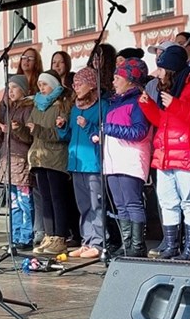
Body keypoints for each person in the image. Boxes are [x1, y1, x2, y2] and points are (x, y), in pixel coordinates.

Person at [140, 45, 190, 261]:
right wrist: (148, 107)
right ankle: (170, 245)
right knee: (167, 201)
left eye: (161, 69)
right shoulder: (172, 90)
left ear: (171, 69)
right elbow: (164, 122)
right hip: (167, 153)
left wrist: (175, 105)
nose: (158, 73)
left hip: (187, 154)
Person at [98, 59, 152, 257]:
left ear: (130, 80)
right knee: (120, 204)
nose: (113, 81)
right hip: (113, 161)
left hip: (131, 159)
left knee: (132, 202)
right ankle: (127, 244)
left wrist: (110, 129)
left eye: (117, 77)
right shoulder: (113, 103)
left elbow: (139, 131)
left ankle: (137, 246)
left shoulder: (138, 101)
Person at [58, 67, 106, 258]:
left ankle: (99, 242)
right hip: (76, 164)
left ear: (92, 85)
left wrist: (88, 126)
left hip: (93, 163)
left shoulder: (102, 106)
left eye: (80, 83)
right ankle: (87, 240)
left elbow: (103, 133)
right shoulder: (75, 107)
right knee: (84, 205)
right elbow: (69, 135)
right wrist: (62, 128)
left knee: (97, 204)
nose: (76, 87)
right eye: (74, 84)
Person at [27, 70, 73, 255]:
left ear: (53, 85)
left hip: (55, 158)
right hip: (38, 158)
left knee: (57, 198)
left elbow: (59, 134)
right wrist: (19, 129)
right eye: (39, 85)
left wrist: (37, 130)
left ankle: (60, 236)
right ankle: (49, 234)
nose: (41, 88)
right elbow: (30, 133)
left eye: (44, 84)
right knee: (45, 199)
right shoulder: (36, 105)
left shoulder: (62, 105)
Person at [0, 74, 35, 251]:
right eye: (8, 88)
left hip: (20, 159)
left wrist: (14, 130)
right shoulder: (9, 110)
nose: (10, 92)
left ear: (23, 90)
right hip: (8, 160)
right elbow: (5, 137)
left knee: (24, 200)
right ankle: (16, 235)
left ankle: (26, 236)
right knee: (13, 202)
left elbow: (29, 137)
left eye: (14, 88)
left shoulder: (28, 108)